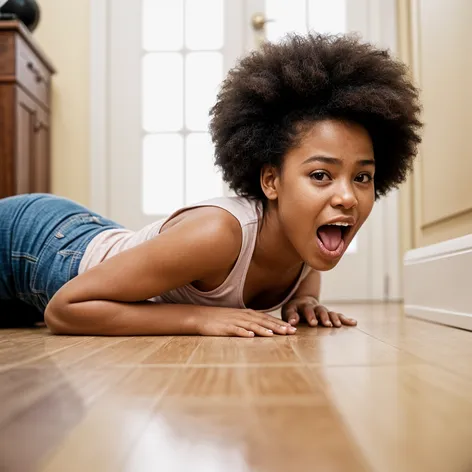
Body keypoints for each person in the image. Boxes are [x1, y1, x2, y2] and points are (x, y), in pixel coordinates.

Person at [0, 33, 422, 336]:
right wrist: (197, 318)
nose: (347, 196)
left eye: (362, 177)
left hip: (84, 241)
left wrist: (304, 304)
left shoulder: (309, 239)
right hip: (35, 245)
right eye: (320, 175)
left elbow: (304, 281)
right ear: (271, 181)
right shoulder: (218, 234)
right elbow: (65, 309)